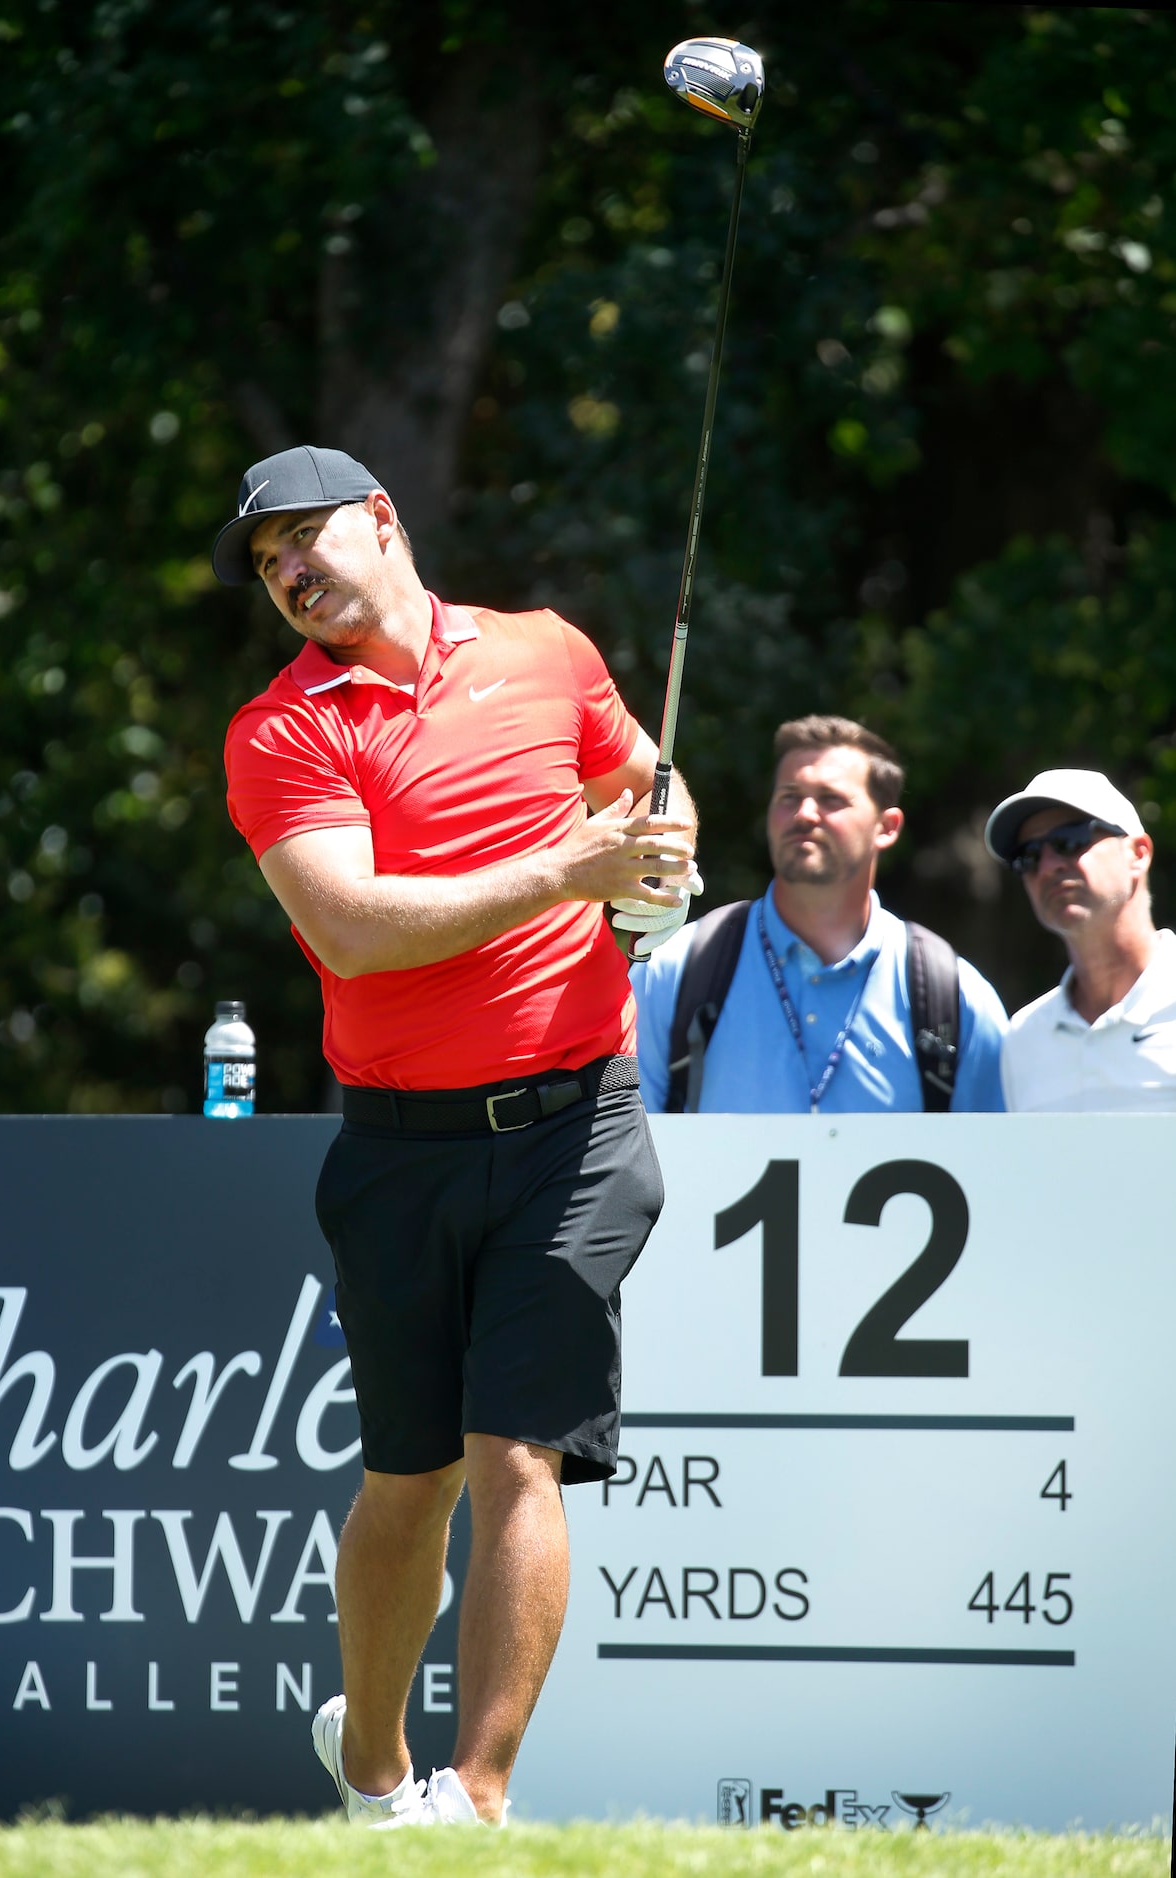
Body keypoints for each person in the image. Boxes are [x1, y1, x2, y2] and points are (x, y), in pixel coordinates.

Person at [212, 444, 699, 1827]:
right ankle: (373, 1765)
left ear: (382, 519)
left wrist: (663, 866)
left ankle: (476, 1797)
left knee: (517, 1451)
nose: (289, 574)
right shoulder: (283, 728)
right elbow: (354, 932)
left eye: (303, 539)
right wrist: (571, 867)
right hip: (399, 1143)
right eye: (266, 564)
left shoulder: (548, 651)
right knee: (407, 1476)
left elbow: (653, 792)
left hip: (577, 1119)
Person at [634, 715, 1007, 1113]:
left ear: (887, 826)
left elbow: (997, 1167)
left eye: (831, 799)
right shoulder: (672, 972)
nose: (805, 814)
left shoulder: (955, 998)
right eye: (788, 797)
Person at [984, 768, 1176, 1110]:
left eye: (1068, 841)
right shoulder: (1023, 1039)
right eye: (1028, 856)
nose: (1047, 867)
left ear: (1138, 854)